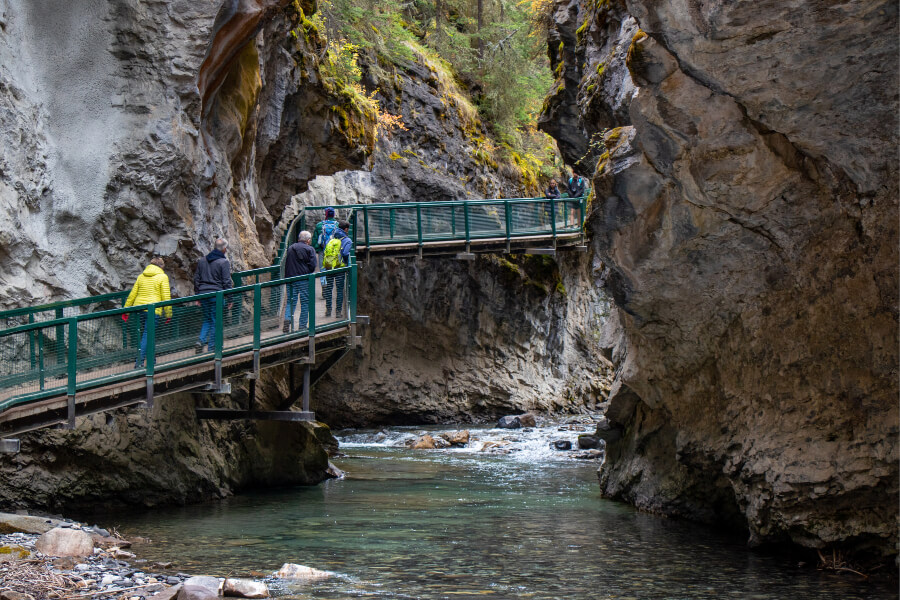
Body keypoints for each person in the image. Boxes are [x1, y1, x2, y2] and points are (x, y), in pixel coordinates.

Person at [122, 257, 172, 369]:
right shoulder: (162, 277)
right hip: (153, 310)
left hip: (140, 309)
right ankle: (139, 362)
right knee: (147, 334)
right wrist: (168, 314)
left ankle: (152, 360)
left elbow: (132, 295)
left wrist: (126, 311)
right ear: (161, 266)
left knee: (148, 334)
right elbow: (166, 297)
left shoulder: (141, 276)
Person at [193, 238, 233, 353]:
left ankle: (201, 340)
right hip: (217, 295)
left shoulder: (202, 260)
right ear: (224, 249)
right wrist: (230, 298)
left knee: (207, 319)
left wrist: (198, 295)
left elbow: (197, 279)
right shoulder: (223, 262)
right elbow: (226, 281)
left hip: (203, 295)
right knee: (216, 321)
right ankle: (212, 348)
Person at [282, 230, 318, 333]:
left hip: (290, 278)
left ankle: (287, 321)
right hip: (303, 279)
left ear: (299, 239)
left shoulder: (291, 248)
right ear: (308, 240)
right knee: (305, 302)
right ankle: (302, 325)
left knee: (290, 301)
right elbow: (312, 265)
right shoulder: (310, 249)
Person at [322, 221, 353, 318]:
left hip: (329, 266)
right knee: (339, 289)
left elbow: (325, 250)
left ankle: (328, 310)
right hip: (340, 267)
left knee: (329, 288)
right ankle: (338, 312)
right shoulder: (347, 240)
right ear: (346, 229)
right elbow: (345, 253)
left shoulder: (331, 238)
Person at [313, 207, 339, 296]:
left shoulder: (319, 225)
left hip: (322, 251)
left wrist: (317, 249)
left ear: (326, 214)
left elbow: (315, 239)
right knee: (333, 268)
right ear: (334, 214)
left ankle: (324, 284)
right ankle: (330, 288)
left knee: (322, 269)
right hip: (334, 251)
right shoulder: (338, 225)